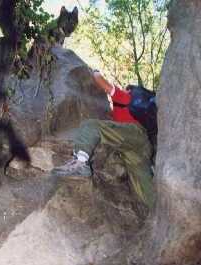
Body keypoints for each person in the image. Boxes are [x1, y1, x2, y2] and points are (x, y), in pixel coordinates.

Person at [52, 69, 155, 209]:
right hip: (140, 146)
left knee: (90, 126)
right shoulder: (122, 112)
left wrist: (95, 73)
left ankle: (80, 163)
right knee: (143, 185)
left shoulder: (125, 96)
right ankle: (159, 209)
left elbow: (106, 87)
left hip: (134, 133)